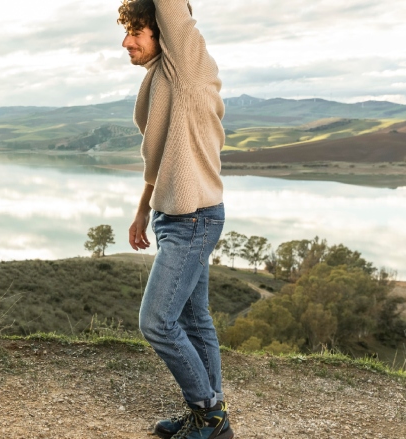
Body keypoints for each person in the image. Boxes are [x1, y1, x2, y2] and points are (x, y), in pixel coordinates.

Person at [118, 1, 233, 438]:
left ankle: (210, 414)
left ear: (165, 33)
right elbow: (163, 158)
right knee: (193, 318)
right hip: (176, 217)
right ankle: (210, 414)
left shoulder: (186, 63)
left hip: (194, 219)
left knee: (156, 322)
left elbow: (171, 8)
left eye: (138, 33)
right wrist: (143, 209)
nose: (127, 42)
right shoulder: (160, 79)